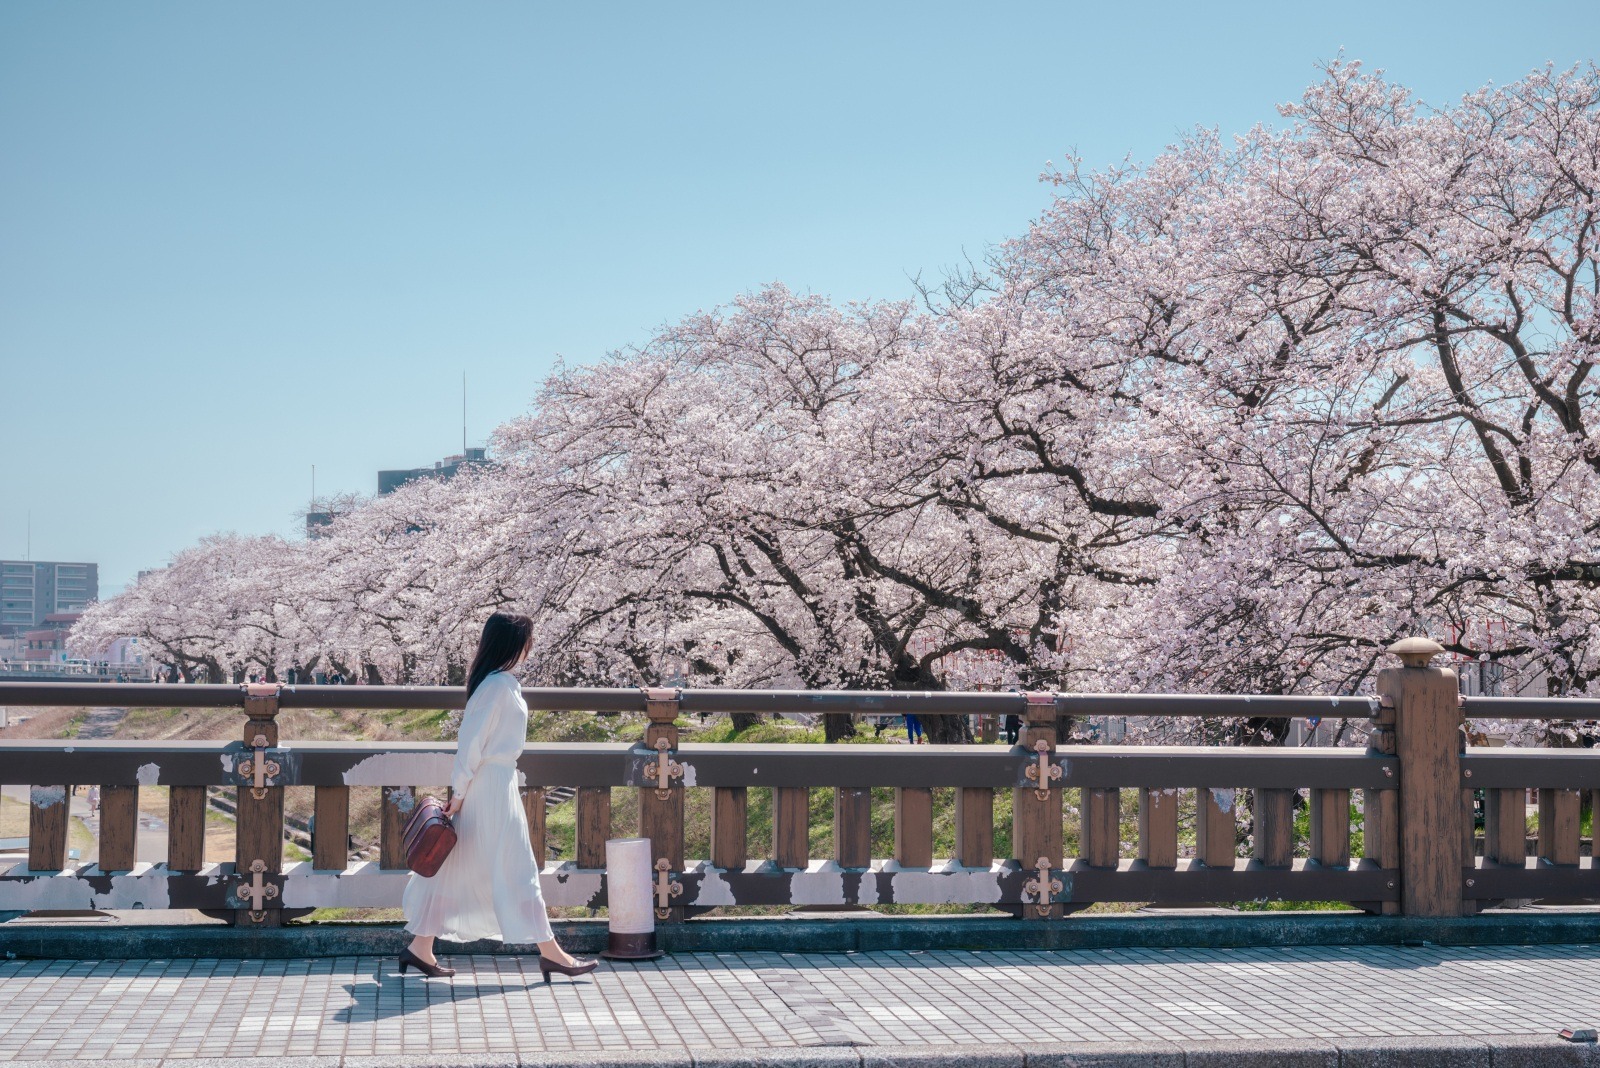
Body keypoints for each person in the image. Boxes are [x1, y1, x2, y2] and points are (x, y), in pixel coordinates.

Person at [399, 611, 596, 982]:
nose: (529, 648)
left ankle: (420, 948)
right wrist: (459, 794)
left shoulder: (500, 683)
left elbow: (473, 743)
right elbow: (470, 745)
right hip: (489, 789)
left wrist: (462, 794)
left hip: (495, 785)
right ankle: (552, 955)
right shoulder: (497, 686)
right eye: (526, 641)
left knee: (461, 867)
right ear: (512, 644)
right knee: (517, 867)